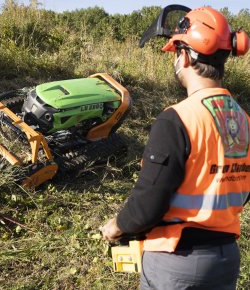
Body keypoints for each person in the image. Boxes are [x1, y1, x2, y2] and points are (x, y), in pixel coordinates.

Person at [100, 6, 250, 290]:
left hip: (177, 260)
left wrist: (117, 226)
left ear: (184, 55)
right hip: (225, 259)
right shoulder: (243, 120)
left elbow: (149, 202)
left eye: (175, 53)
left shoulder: (178, 118)